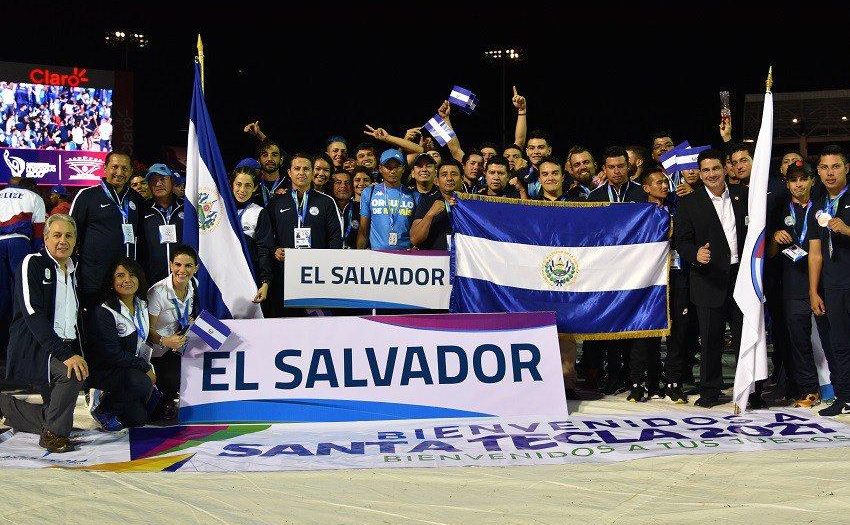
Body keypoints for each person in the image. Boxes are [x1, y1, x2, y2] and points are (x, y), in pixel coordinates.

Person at [0, 214, 87, 453]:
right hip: (35, 347)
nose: (63, 241)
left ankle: (8, 407)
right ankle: (52, 435)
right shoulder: (32, 262)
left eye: (68, 236)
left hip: (62, 346)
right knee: (73, 373)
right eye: (57, 235)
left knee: (55, 412)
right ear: (46, 238)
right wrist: (65, 354)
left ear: (75, 240)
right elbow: (32, 312)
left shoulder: (74, 269)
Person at [674, 148, 751, 408]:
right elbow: (681, 241)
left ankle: (749, 390)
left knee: (745, 337)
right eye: (705, 170)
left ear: (726, 169)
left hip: (741, 277)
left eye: (715, 168)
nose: (711, 174)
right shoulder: (689, 202)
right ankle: (709, 391)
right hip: (708, 279)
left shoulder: (744, 195)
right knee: (710, 339)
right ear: (699, 173)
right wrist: (695, 253)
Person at [770, 160, 832, 408]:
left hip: (824, 283)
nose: (798, 184)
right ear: (787, 184)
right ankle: (809, 390)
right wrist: (774, 237)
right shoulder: (778, 210)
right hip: (792, 284)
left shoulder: (823, 208)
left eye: (803, 179)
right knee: (799, 341)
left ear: (812, 181)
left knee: (831, 338)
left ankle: (840, 387)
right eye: (794, 180)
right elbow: (770, 253)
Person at [86, 257, 158, 430]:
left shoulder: (142, 304)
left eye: (132, 275)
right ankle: (103, 407)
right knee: (141, 382)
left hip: (130, 369)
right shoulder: (104, 311)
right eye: (120, 275)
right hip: (107, 370)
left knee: (138, 419)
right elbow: (112, 354)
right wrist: (144, 367)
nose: (127, 279)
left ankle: (115, 398)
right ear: (112, 282)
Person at [70, 150, 145, 309]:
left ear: (131, 171)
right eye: (115, 167)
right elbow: (71, 235)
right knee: (95, 321)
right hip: (94, 280)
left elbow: (141, 237)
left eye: (124, 168)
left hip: (125, 281)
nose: (119, 172)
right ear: (105, 169)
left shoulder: (136, 199)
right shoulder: (87, 196)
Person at [809, 145, 850, 416]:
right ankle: (845, 397)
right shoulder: (818, 205)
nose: (830, 173)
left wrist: (846, 229)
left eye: (835, 166)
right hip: (833, 285)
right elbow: (815, 253)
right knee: (840, 345)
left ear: (847, 168)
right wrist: (813, 291)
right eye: (824, 167)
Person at [147, 244, 200, 420]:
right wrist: (165, 341)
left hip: (180, 342)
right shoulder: (157, 293)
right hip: (158, 350)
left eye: (188, 266)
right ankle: (164, 398)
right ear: (171, 265)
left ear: (196, 268)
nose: (182, 270)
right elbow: (147, 331)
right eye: (178, 265)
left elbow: (188, 314)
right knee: (174, 376)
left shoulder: (194, 284)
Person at [268, 153, 342, 272]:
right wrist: (274, 249)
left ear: (312, 173)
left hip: (318, 269)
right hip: (285, 268)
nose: (301, 172)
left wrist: (329, 263)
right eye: (297, 168)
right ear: (289, 173)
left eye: (306, 169)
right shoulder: (277, 201)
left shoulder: (326, 201)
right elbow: (267, 234)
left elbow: (336, 236)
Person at [0, 177, 46, 359]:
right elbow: (39, 233)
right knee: (23, 295)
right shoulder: (34, 196)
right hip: (20, 243)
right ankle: (20, 346)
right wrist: (36, 259)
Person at [230, 166, 274, 311]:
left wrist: (265, 282)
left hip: (248, 276)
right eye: (238, 184)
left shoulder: (259, 212)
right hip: (224, 275)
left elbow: (264, 251)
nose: (242, 190)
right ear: (232, 185)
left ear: (255, 188)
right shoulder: (221, 210)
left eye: (248, 185)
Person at [357, 149, 418, 250]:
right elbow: (363, 231)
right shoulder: (369, 192)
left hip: (406, 254)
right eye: (388, 167)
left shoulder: (413, 194)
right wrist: (359, 255)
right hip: (377, 254)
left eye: (397, 167)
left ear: (403, 169)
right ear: (380, 169)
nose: (392, 171)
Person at [140, 163, 183, 284]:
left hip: (184, 278)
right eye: (153, 180)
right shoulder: (142, 210)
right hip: (154, 282)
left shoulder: (187, 208)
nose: (158, 184)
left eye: (163, 179)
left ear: (172, 181)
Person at [410, 158, 462, 250]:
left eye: (454, 174)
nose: (449, 178)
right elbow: (415, 239)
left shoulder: (471, 203)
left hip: (462, 256)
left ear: (462, 179)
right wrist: (430, 214)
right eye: (444, 175)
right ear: (437, 180)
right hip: (435, 257)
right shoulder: (427, 201)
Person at [255, 139, 289, 206]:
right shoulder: (253, 185)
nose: (270, 159)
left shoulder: (290, 185)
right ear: (258, 161)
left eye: (274, 155)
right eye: (265, 155)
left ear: (281, 160)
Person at [331, 170, 360, 249]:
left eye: (347, 183)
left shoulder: (360, 209)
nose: (343, 186)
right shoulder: (326, 208)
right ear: (331, 186)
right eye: (338, 182)